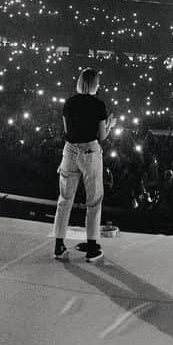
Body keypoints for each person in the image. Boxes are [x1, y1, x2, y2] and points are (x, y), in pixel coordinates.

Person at [52, 69, 109, 263]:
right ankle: (92, 248)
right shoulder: (99, 105)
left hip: (70, 151)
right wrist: (109, 126)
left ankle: (59, 246)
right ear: (95, 84)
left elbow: (68, 131)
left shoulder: (69, 103)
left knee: (64, 199)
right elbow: (101, 136)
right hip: (89, 152)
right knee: (93, 200)